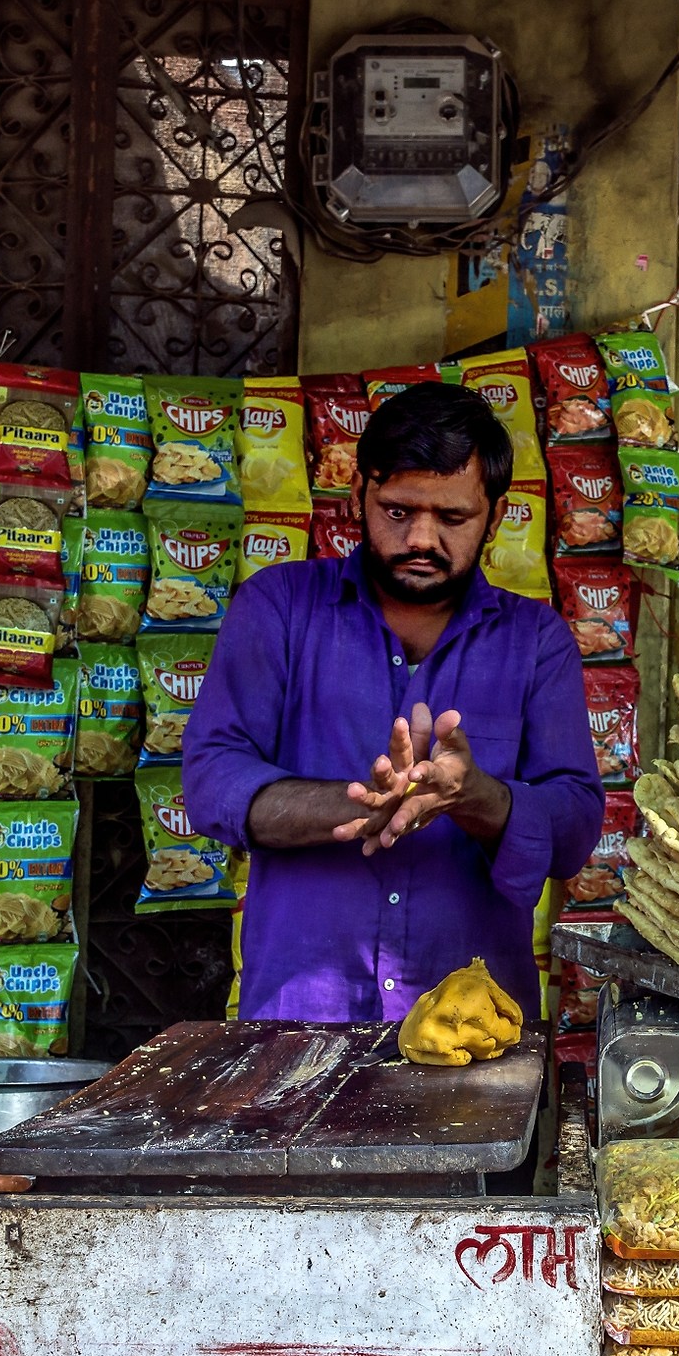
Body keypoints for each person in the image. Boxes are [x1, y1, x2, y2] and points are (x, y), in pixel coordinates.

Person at [184, 380, 604, 1022]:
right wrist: (359, 806)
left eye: (453, 518)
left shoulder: (536, 641)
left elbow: (574, 828)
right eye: (399, 511)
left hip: (476, 1038)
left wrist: (474, 795)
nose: (421, 540)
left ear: (493, 516)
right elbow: (214, 779)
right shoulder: (279, 606)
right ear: (358, 496)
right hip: (300, 1020)